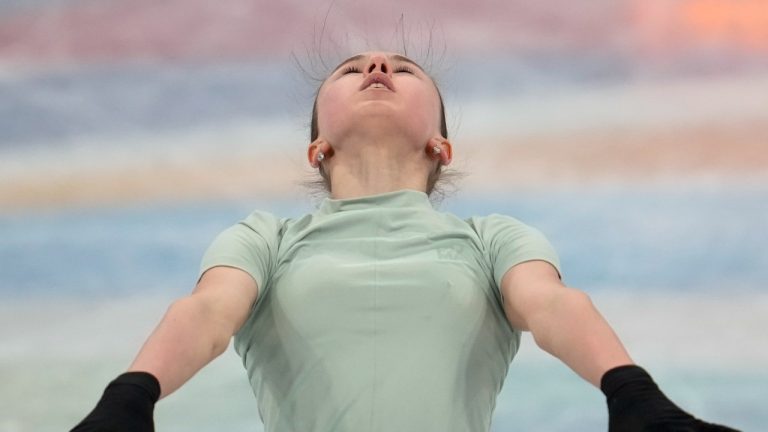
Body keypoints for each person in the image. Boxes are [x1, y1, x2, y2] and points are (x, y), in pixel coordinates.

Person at [71, 51, 739, 432]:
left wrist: (631, 393)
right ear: (317, 146)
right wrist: (131, 395)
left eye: (407, 69)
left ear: (441, 145)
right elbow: (207, 313)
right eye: (348, 69)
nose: (378, 64)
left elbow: (553, 305)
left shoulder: (492, 238)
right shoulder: (264, 239)